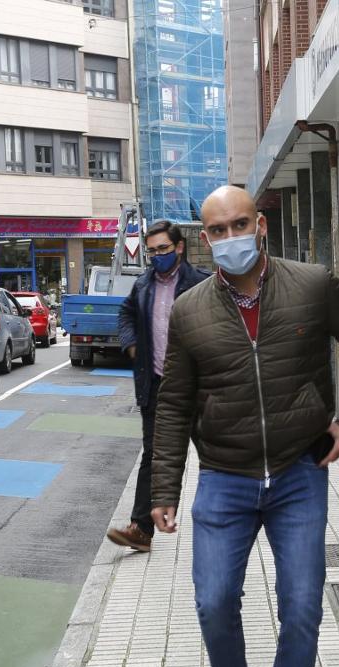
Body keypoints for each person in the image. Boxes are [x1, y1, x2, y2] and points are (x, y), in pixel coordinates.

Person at [149, 185, 339, 667]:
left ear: (259, 225)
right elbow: (173, 404)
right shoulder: (190, 311)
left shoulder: (312, 284)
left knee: (303, 608)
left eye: (239, 225)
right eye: (217, 230)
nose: (230, 237)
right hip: (224, 477)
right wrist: (164, 487)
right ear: (205, 239)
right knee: (213, 602)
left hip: (298, 473)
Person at [107, 220, 211, 553]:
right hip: (156, 387)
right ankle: (140, 529)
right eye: (151, 251)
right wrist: (131, 344)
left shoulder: (203, 283)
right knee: (154, 456)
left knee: (215, 456)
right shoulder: (143, 285)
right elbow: (125, 315)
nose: (157, 256)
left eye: (163, 249)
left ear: (179, 247)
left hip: (200, 389)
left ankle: (224, 519)